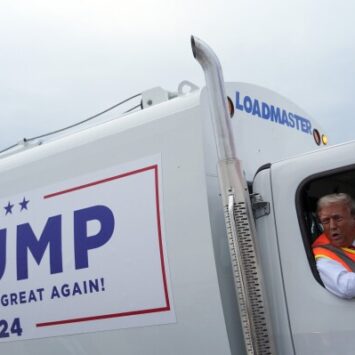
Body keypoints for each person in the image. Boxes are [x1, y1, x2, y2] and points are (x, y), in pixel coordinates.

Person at [312, 193, 355, 299]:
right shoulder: (322, 254)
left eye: (338, 218)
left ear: (353, 218)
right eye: (325, 221)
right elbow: (345, 287)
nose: (332, 226)